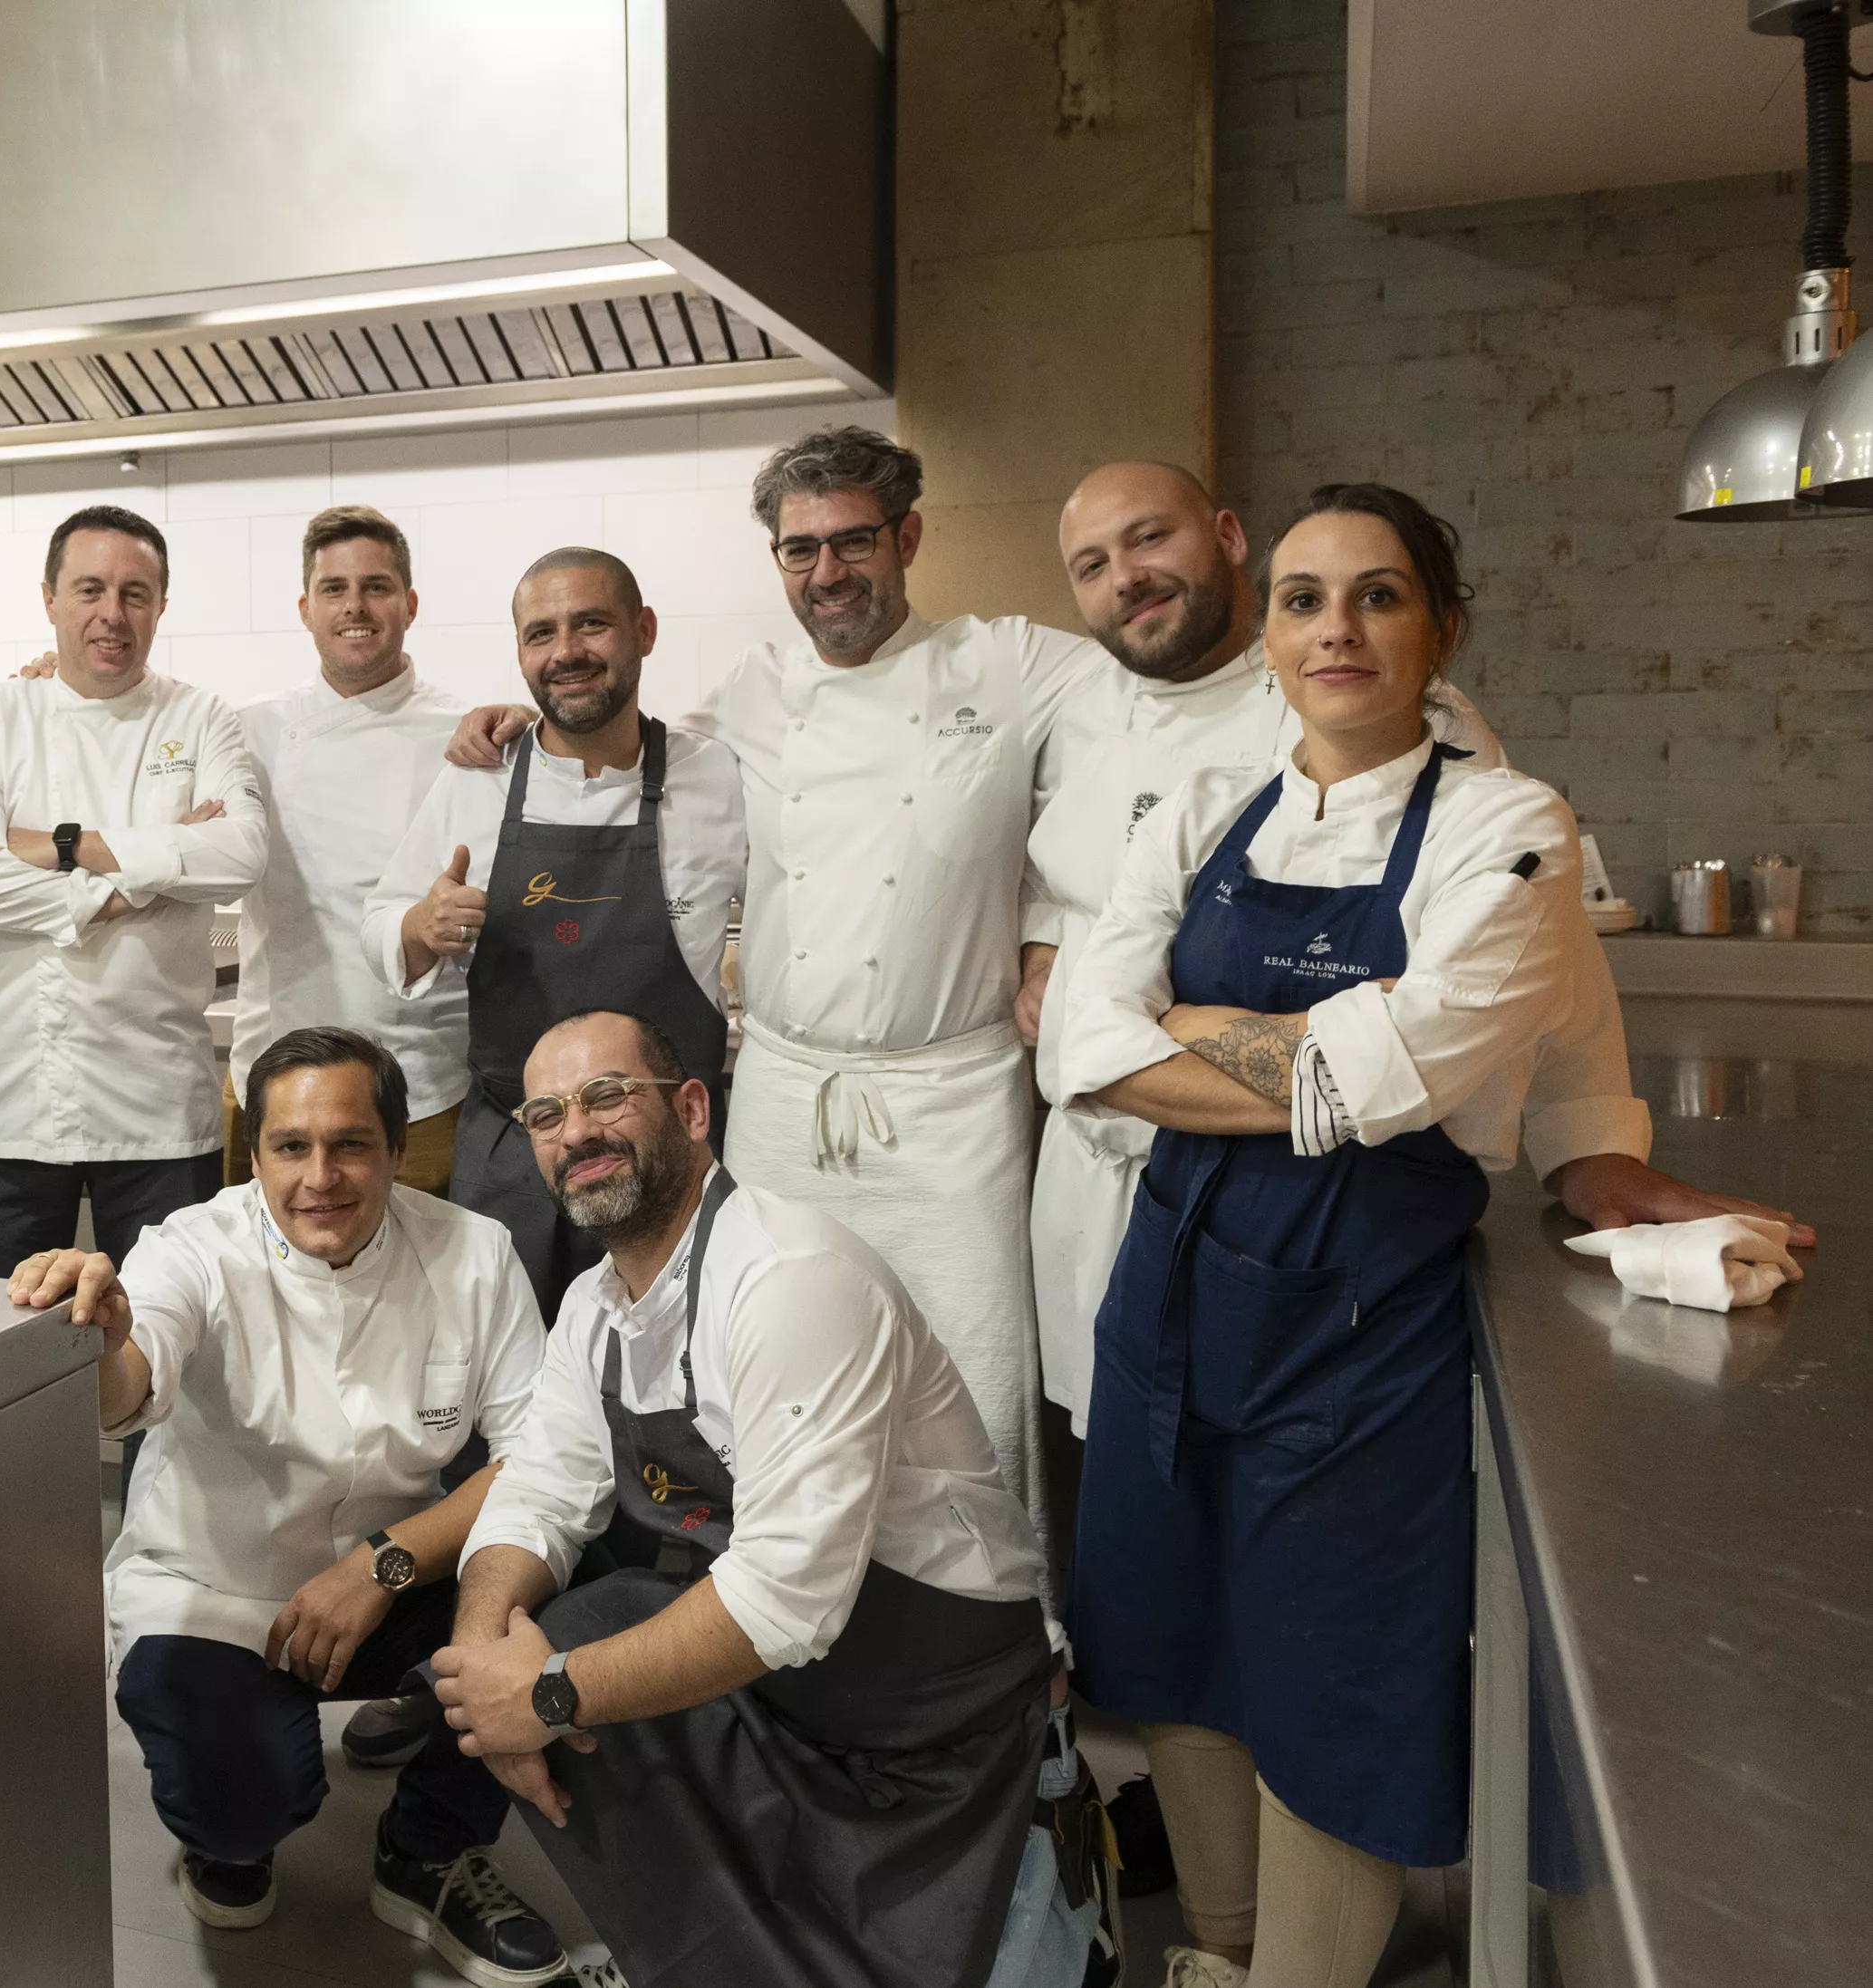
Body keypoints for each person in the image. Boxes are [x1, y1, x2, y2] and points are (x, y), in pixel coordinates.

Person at [1048, 485, 1598, 1988]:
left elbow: (1392, 1078)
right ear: (1271, 628)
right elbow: (1077, 1051)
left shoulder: (1509, 822)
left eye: (1377, 594)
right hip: (1165, 1294)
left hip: (1358, 1324)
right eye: (1303, 597)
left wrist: (1195, 1028)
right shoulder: (1207, 801)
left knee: (1326, 1676)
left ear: (1443, 624)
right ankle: (1217, 1954)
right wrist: (1301, 1058)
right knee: (1170, 1637)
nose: (1335, 628)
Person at [1027, 462, 1814, 1433]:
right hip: (1131, 1199)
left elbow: (1526, 955)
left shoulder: (1425, 732)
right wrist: (1070, 991)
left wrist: (1589, 1144)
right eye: (1091, 563)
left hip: (1337, 1223)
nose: (1125, 578)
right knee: (1126, 1487)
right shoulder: (1080, 709)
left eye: (1150, 539)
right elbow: (1076, 998)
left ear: (1229, 542)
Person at [448, 428, 1098, 1547]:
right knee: (770, 1369)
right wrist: (520, 731)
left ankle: (1002, 1651)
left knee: (974, 1384)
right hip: (787, 1098)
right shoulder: (750, 693)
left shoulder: (1017, 664)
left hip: (952, 1099)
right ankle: (785, 1623)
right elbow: (621, 759)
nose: (827, 573)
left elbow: (1150, 750)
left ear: (909, 537)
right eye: (800, 551)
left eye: (852, 542)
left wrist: (1052, 926)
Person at [430, 1009, 1056, 1988]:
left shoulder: (788, 1277)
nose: (577, 1132)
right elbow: (537, 1492)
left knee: (573, 1654)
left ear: (691, 1109)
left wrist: (546, 1696)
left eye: (607, 1096)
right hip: (802, 1672)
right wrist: (483, 1672)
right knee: (566, 1614)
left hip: (935, 1699)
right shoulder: (594, 1311)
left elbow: (785, 1599)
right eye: (547, 1113)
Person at [6, 1028, 566, 1986]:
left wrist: (379, 1566)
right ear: (253, 1154)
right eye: (291, 1147)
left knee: (564, 1613)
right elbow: (130, 1384)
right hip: (217, 1593)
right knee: (242, 1805)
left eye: (351, 1144)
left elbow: (538, 1459)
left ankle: (429, 1854)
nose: (322, 1176)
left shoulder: (475, 1254)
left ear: (397, 1150)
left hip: (395, 1583)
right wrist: (98, 1335)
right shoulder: (194, 1248)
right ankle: (232, 1823)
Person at [362, 548, 745, 1315]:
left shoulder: (718, 777)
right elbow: (381, 930)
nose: (566, 651)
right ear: (520, 653)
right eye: (541, 634)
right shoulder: (481, 777)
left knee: (684, 1366)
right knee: (509, 1374)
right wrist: (420, 923)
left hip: (670, 1154)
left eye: (591, 625)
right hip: (518, 1154)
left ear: (643, 631)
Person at [0, 505, 267, 1277]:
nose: (111, 614)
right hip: (4, 1109)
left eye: (135, 593)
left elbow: (241, 853)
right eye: (89, 590)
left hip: (159, 1116)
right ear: (49, 598)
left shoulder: (201, 716)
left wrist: (60, 848)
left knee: (168, 1349)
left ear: (161, 606)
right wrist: (127, 887)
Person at [227, 506, 469, 1193]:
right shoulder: (247, 730)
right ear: (305, 608)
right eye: (334, 589)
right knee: (266, 1294)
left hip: (418, 1084)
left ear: (410, 604)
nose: (354, 607)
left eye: (377, 587)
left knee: (423, 1289)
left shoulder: (467, 735)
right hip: (273, 1081)